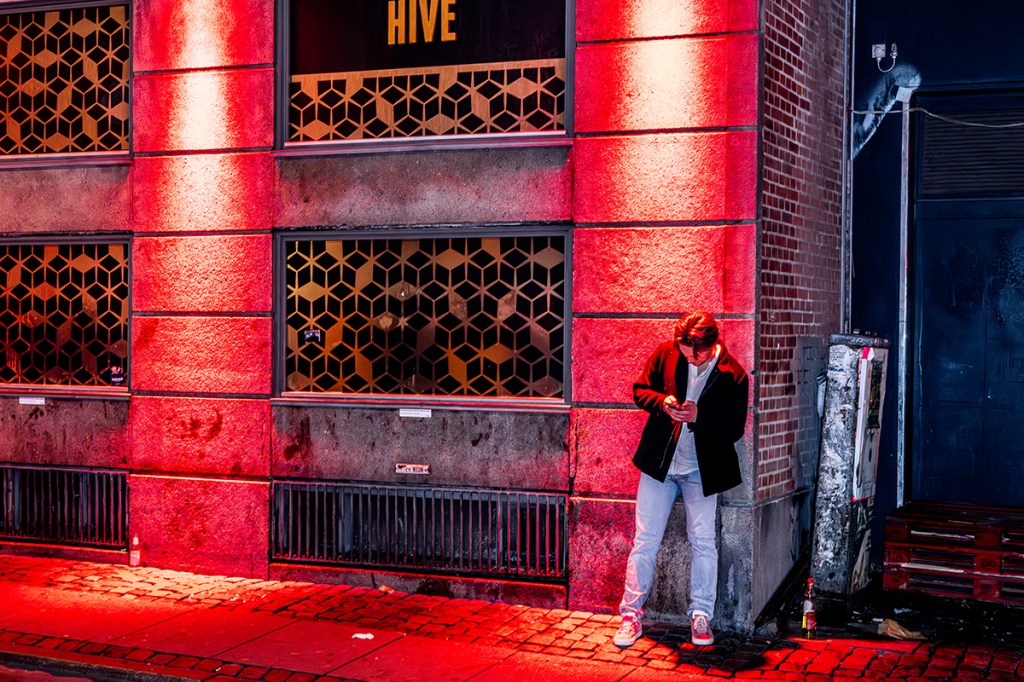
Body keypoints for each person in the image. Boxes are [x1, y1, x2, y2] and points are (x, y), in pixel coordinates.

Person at [613, 311, 749, 648]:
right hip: (659, 464)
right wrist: (663, 402)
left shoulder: (734, 375)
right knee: (645, 539)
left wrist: (699, 415)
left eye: (695, 355)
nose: (689, 359)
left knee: (703, 541)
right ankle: (631, 614)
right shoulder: (666, 352)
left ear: (712, 345)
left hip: (702, 470)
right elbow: (640, 390)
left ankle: (701, 614)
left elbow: (734, 428)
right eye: (685, 353)